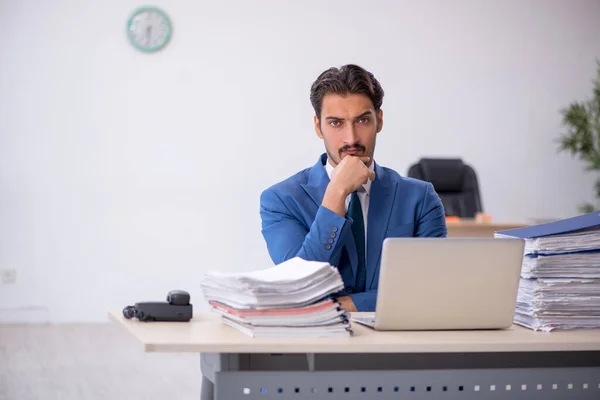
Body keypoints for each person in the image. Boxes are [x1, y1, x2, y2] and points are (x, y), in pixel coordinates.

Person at [259, 64, 447, 312]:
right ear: (318, 127)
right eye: (336, 123)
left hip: (397, 343)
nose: (351, 139)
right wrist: (336, 192)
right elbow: (300, 287)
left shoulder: (420, 198)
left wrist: (347, 304)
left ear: (378, 121)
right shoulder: (280, 200)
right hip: (316, 345)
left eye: (362, 120)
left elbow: (431, 290)